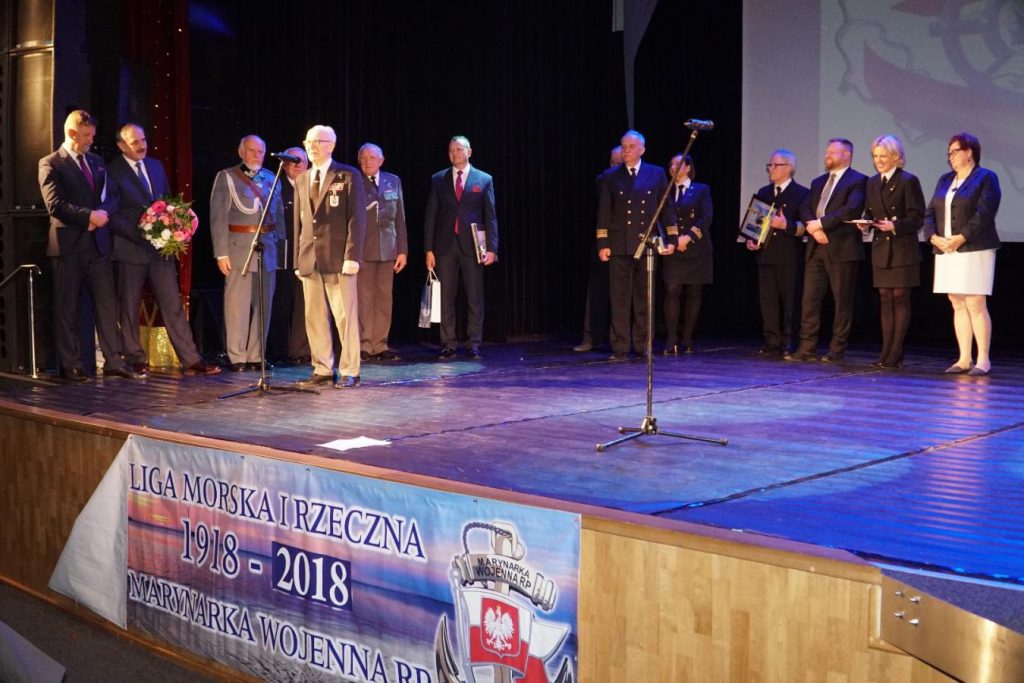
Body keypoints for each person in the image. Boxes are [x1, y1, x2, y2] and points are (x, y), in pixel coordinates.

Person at [37, 110, 145, 381]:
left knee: (107, 306)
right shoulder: (51, 163)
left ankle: (114, 361)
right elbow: (55, 204)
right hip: (69, 246)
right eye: (86, 135)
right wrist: (88, 217)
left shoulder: (96, 161)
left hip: (98, 245)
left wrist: (101, 215)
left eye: (92, 135)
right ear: (71, 133)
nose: (91, 141)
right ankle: (71, 364)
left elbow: (111, 197)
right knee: (67, 308)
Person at [107, 123, 221, 376]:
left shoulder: (156, 166)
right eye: (135, 142)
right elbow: (111, 213)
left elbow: (166, 203)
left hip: (160, 251)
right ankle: (135, 358)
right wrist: (143, 232)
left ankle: (191, 359)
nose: (142, 146)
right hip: (130, 248)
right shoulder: (112, 171)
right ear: (122, 146)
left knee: (173, 304)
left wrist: (171, 228)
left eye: (143, 140)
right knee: (129, 306)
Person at [922, 132, 1001, 376]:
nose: (951, 156)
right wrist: (932, 236)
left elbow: (984, 213)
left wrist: (961, 237)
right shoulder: (945, 179)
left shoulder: (986, 177)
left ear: (969, 152)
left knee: (975, 302)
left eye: (955, 151)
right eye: (949, 153)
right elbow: (930, 212)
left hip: (974, 248)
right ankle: (964, 358)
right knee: (956, 301)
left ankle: (983, 359)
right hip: (946, 248)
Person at [294, 124, 366, 388]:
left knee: (344, 316)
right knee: (314, 317)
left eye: (318, 142)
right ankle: (322, 368)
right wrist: (298, 259)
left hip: (339, 258)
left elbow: (357, 218)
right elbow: (300, 222)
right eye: (308, 142)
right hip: (310, 258)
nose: (312, 147)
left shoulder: (347, 175)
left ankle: (350, 370)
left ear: (331, 146)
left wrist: (352, 256)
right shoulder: (302, 179)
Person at [596, 130, 677, 360]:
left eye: (631, 147)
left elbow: (666, 208)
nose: (626, 151)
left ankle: (644, 345)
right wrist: (603, 243)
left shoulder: (656, 173)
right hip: (619, 244)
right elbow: (604, 212)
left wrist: (672, 238)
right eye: (623, 146)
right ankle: (620, 347)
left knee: (645, 298)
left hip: (646, 243)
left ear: (642, 149)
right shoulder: (611, 176)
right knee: (619, 298)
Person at [785, 138, 867, 363]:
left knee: (842, 302)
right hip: (816, 248)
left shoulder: (858, 180)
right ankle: (806, 348)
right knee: (810, 300)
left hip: (842, 249)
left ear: (847, 155)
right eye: (827, 151)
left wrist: (820, 225)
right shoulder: (818, 181)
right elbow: (804, 208)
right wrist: (813, 228)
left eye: (833, 152)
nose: (827, 155)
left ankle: (836, 350)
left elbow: (850, 209)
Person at [210, 135, 285, 371]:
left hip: (268, 248)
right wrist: (221, 253)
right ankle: (237, 356)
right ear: (241, 152)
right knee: (237, 305)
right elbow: (218, 218)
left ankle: (256, 355)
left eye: (260, 152)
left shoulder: (272, 178)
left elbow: (279, 218)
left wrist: (281, 253)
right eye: (252, 151)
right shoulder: (227, 177)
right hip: (238, 248)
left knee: (264, 306)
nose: (256, 156)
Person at [423, 135, 498, 360]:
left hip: (473, 246)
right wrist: (428, 249)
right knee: (446, 296)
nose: (454, 153)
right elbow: (431, 216)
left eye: (458, 149)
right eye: (451, 150)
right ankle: (448, 343)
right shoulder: (438, 179)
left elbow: (491, 216)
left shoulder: (483, 179)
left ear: (469, 152)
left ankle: (474, 343)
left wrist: (492, 248)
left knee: (475, 296)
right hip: (445, 246)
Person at [862, 134, 925, 370]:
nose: (878, 161)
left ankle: (896, 352)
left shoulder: (908, 181)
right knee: (884, 298)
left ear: (896, 157)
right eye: (875, 156)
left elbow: (917, 217)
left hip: (902, 249)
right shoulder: (872, 183)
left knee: (899, 297)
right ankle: (886, 351)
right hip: (881, 249)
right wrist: (865, 223)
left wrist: (895, 225)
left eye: (883, 156)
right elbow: (870, 212)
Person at [745, 149, 809, 357]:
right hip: (766, 255)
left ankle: (790, 341)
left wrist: (785, 225)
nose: (770, 169)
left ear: (789, 168)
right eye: (769, 165)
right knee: (768, 301)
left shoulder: (802, 193)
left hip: (789, 256)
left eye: (775, 165)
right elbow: (756, 223)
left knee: (790, 301)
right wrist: (751, 239)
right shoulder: (764, 192)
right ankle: (772, 340)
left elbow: (806, 227)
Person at [357, 143, 407, 361]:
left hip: (388, 249)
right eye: (364, 158)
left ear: (381, 160)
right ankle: (365, 344)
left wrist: (402, 250)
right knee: (364, 298)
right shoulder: (355, 181)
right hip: (363, 250)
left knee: (384, 298)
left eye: (372, 157)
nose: (367, 161)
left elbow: (400, 218)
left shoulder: (392, 181)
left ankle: (380, 344)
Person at [661, 153, 712, 355]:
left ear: (688, 167)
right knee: (672, 289)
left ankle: (687, 338)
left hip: (697, 248)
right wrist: (673, 241)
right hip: (673, 248)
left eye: (678, 164)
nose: (673, 168)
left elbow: (705, 217)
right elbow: (662, 218)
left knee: (694, 292)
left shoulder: (701, 189)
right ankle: (671, 339)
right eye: (671, 165)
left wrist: (688, 237)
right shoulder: (665, 191)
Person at [574, 145, 621, 352]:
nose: (615, 166)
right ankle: (591, 337)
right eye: (613, 162)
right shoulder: (604, 179)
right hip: (603, 241)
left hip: (626, 242)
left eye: (619, 163)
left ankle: (622, 340)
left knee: (624, 293)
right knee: (596, 291)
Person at [270, 146, 311, 365]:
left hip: (307, 252)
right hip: (284, 252)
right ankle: (279, 352)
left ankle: (301, 350)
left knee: (305, 303)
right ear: (284, 164)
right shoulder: (276, 186)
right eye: (293, 161)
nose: (298, 165)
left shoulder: (313, 186)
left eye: (302, 161)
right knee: (282, 302)